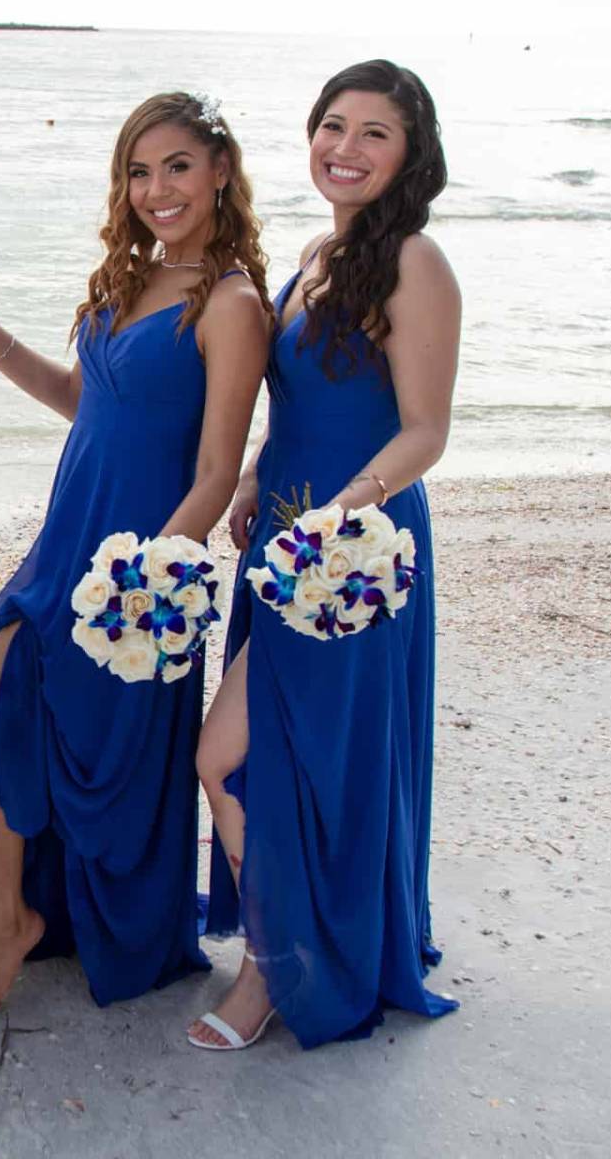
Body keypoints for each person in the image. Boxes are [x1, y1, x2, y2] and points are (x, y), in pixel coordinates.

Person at [0, 92, 271, 1010]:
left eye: (176, 167)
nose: (156, 190)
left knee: (78, 735)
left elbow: (214, 471)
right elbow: (83, 402)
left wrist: (142, 579)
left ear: (219, 172)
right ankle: (17, 911)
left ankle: (45, 921)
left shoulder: (232, 302)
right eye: (138, 171)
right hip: (66, 537)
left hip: (135, 565)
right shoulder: (130, 281)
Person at [188, 59, 462, 1051]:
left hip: (355, 553)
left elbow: (425, 429)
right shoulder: (313, 253)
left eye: (373, 133)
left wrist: (337, 517)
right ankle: (299, 935)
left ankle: (275, 964)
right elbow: (295, 402)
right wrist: (260, 477)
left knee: (237, 755)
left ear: (410, 154)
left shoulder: (415, 264)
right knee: (281, 760)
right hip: (286, 544)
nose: (345, 148)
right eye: (332, 125)